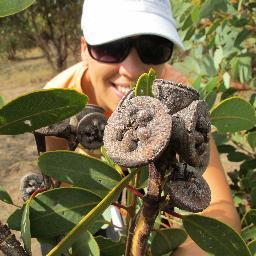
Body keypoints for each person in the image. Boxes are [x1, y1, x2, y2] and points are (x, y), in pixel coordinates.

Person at [44, 0, 241, 255]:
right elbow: (60, 208)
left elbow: (220, 207)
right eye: (111, 47)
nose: (132, 70)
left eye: (153, 48)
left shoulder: (178, 97)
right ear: (84, 48)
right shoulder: (55, 105)